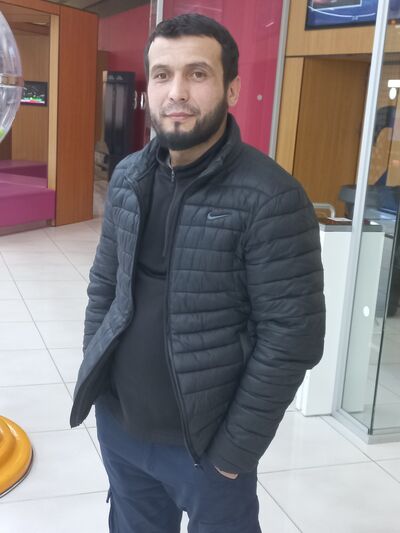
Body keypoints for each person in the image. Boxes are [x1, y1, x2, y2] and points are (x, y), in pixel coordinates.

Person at [70, 13, 325, 533]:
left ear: (232, 89)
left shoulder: (271, 197)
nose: (177, 92)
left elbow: (292, 337)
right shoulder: (127, 177)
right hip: (120, 427)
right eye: (162, 74)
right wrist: (98, 381)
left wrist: (234, 452)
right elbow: (105, 286)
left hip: (207, 450)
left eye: (198, 74)